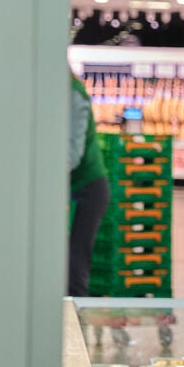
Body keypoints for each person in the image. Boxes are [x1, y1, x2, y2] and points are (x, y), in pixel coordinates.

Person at [69, 71, 110, 297]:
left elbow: (71, 153)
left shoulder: (73, 94)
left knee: (75, 265)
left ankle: (75, 324)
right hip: (72, 188)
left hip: (87, 190)